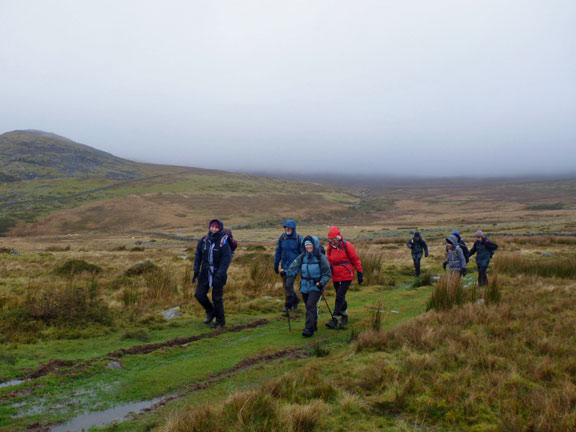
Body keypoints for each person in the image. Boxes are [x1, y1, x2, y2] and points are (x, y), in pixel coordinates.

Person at [286, 236, 331, 338]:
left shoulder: (320, 257)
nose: (308, 246)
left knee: (310, 305)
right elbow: (294, 267)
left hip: (316, 286)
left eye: (310, 244)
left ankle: (308, 328)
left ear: (314, 245)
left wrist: (322, 282)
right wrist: (286, 272)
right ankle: (313, 324)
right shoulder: (302, 257)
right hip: (305, 286)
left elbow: (327, 273)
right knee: (309, 306)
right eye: (306, 244)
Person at [193, 219, 232, 329]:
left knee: (217, 298)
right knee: (199, 294)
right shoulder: (204, 240)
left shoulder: (223, 241)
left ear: (220, 228)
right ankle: (210, 311)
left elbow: (226, 258)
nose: (213, 229)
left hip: (218, 272)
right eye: (212, 227)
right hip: (205, 271)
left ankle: (220, 321)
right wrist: (196, 270)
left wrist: (220, 274)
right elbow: (198, 255)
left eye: (216, 227)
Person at [325, 226, 363, 329]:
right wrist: (325, 274)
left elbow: (355, 259)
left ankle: (335, 319)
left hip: (347, 275)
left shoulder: (347, 245)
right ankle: (345, 315)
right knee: (341, 297)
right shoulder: (329, 249)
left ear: (338, 238)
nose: (332, 242)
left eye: (333, 240)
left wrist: (360, 273)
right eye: (330, 240)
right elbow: (328, 263)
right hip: (335, 276)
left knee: (339, 297)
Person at [274, 220, 302, 313]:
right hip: (284, 267)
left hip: (294, 267)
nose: (287, 229)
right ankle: (296, 300)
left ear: (293, 228)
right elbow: (278, 251)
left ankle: (288, 305)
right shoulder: (282, 238)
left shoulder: (298, 238)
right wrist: (276, 264)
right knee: (286, 286)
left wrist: (301, 266)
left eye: (289, 227)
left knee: (288, 285)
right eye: (286, 227)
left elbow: (302, 254)